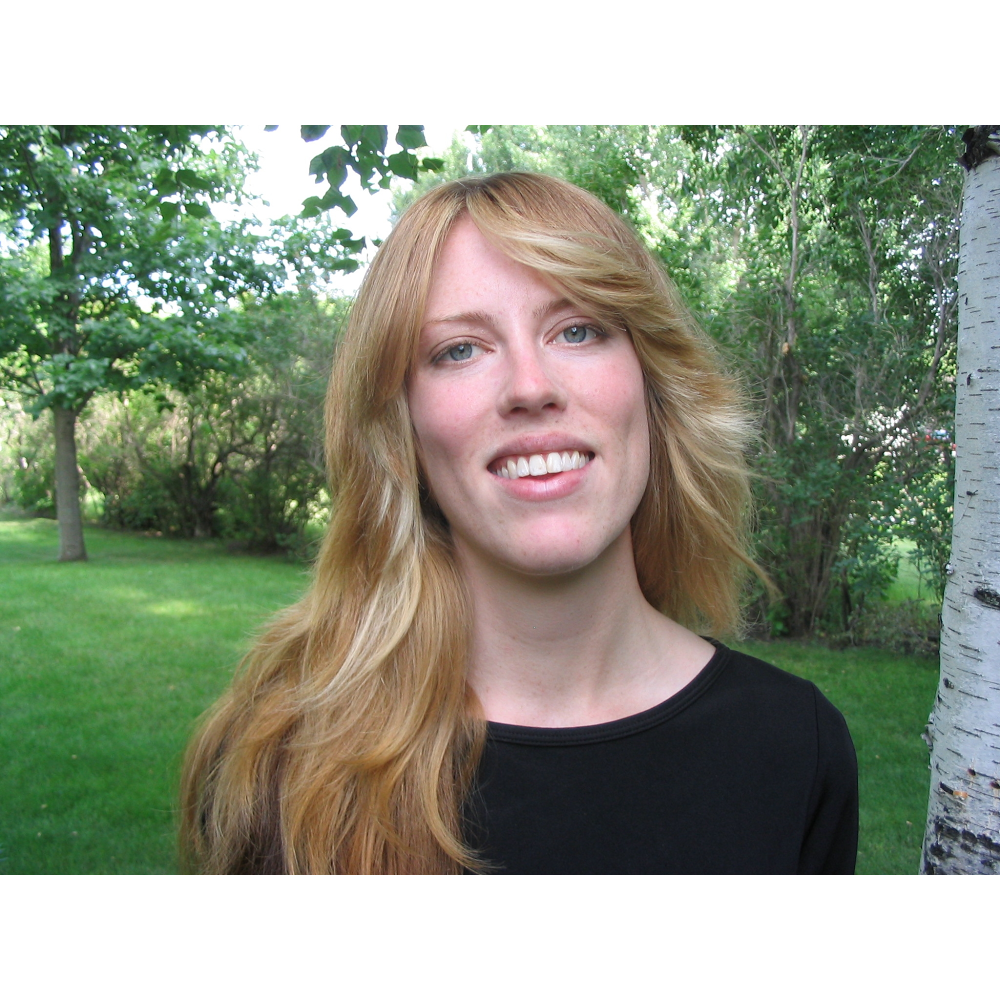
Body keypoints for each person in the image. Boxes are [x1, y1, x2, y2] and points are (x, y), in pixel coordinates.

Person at [181, 172, 858, 875]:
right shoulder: (283, 753)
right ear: (401, 426)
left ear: (653, 384)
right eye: (460, 350)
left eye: (578, 330)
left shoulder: (796, 746)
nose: (531, 387)